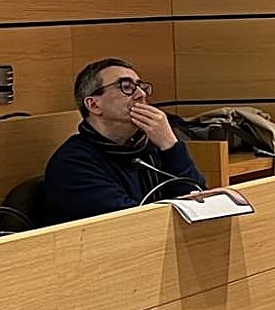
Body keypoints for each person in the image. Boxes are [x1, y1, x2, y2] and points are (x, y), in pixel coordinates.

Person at [44, 58, 206, 224]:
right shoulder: (73, 164)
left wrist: (170, 145)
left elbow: (198, 201)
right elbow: (131, 223)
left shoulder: (150, 146)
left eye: (141, 87)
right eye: (126, 87)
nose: (141, 94)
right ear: (94, 105)